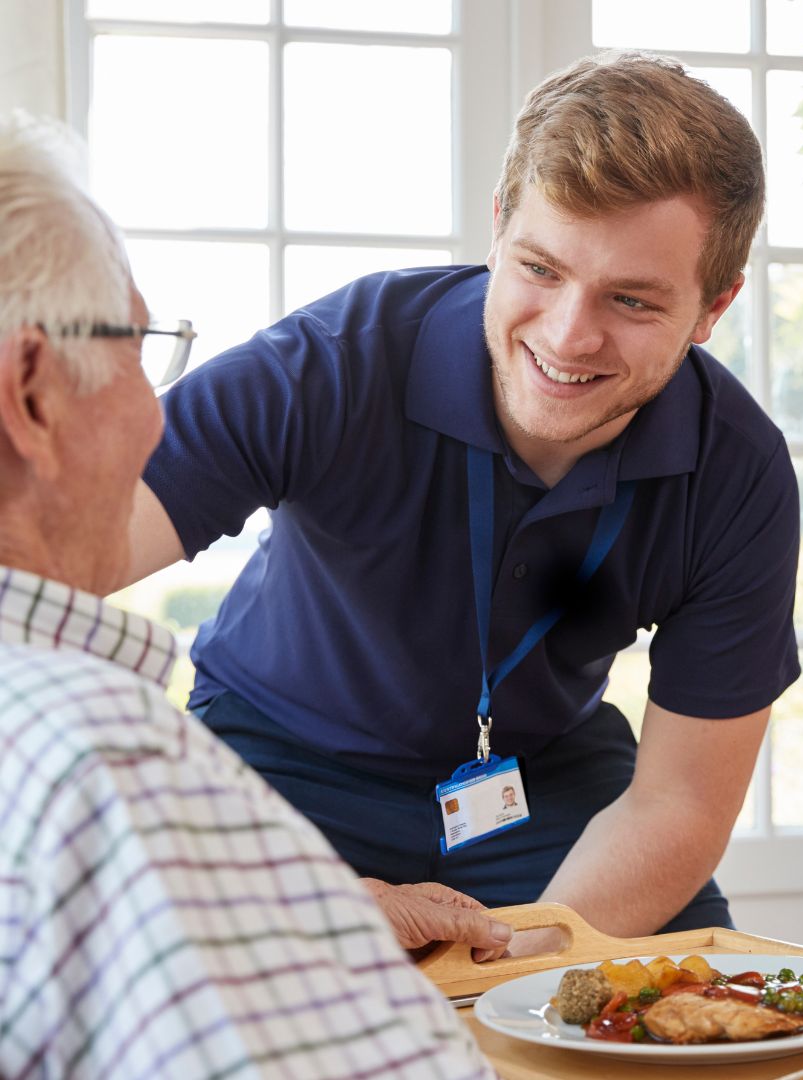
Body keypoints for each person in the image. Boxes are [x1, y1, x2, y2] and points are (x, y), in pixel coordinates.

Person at [129, 50, 801, 940]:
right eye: (541, 268)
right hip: (279, 763)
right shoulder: (334, 363)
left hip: (541, 782)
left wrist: (508, 965)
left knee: (675, 1027)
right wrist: (309, 913)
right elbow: (47, 549)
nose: (569, 336)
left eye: (632, 300)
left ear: (714, 307)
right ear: (497, 230)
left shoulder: (738, 470)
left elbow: (678, 806)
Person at [0, 112, 497, 1078]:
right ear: (31, 395)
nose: (159, 414)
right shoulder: (103, 760)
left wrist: (295, 914)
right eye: (139, 346)